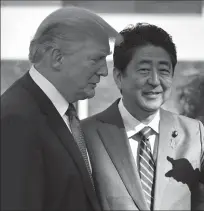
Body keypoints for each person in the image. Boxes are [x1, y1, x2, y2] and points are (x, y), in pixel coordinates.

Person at [82, 23, 204, 210]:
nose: (155, 81)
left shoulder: (191, 133)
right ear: (119, 77)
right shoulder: (84, 135)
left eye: (164, 70)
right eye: (144, 70)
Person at [1, 6, 118, 210]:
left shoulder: (62, 113)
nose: (104, 71)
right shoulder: (17, 119)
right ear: (57, 58)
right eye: (96, 59)